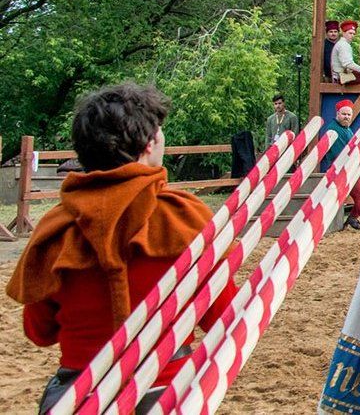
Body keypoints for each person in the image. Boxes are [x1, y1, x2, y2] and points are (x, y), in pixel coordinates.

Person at [7, 83, 234, 412]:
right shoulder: (183, 216)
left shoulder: (55, 229)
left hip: (79, 398)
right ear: (149, 143)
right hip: (169, 392)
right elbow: (221, 316)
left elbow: (39, 331)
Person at [326, 100, 360, 231]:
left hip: (356, 165)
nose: (346, 117)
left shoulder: (347, 129)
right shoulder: (333, 129)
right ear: (337, 114)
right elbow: (339, 155)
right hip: (346, 168)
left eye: (349, 115)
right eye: (344, 114)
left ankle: (353, 217)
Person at [331, 21, 360, 85]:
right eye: (350, 33)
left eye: (354, 34)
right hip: (341, 77)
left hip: (342, 75)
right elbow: (348, 64)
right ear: (343, 33)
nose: (352, 36)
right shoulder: (343, 45)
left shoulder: (343, 44)